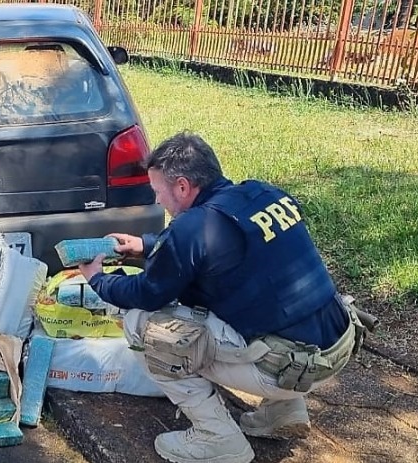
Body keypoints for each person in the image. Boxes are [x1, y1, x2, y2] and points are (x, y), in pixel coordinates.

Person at [78, 131, 364, 463]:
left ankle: (217, 439)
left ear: (182, 187)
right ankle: (283, 413)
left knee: (141, 324)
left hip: (285, 368)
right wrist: (146, 245)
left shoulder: (191, 229)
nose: (157, 200)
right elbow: (217, 248)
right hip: (335, 345)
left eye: (158, 191)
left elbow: (146, 293)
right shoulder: (263, 194)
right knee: (269, 295)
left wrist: (99, 280)